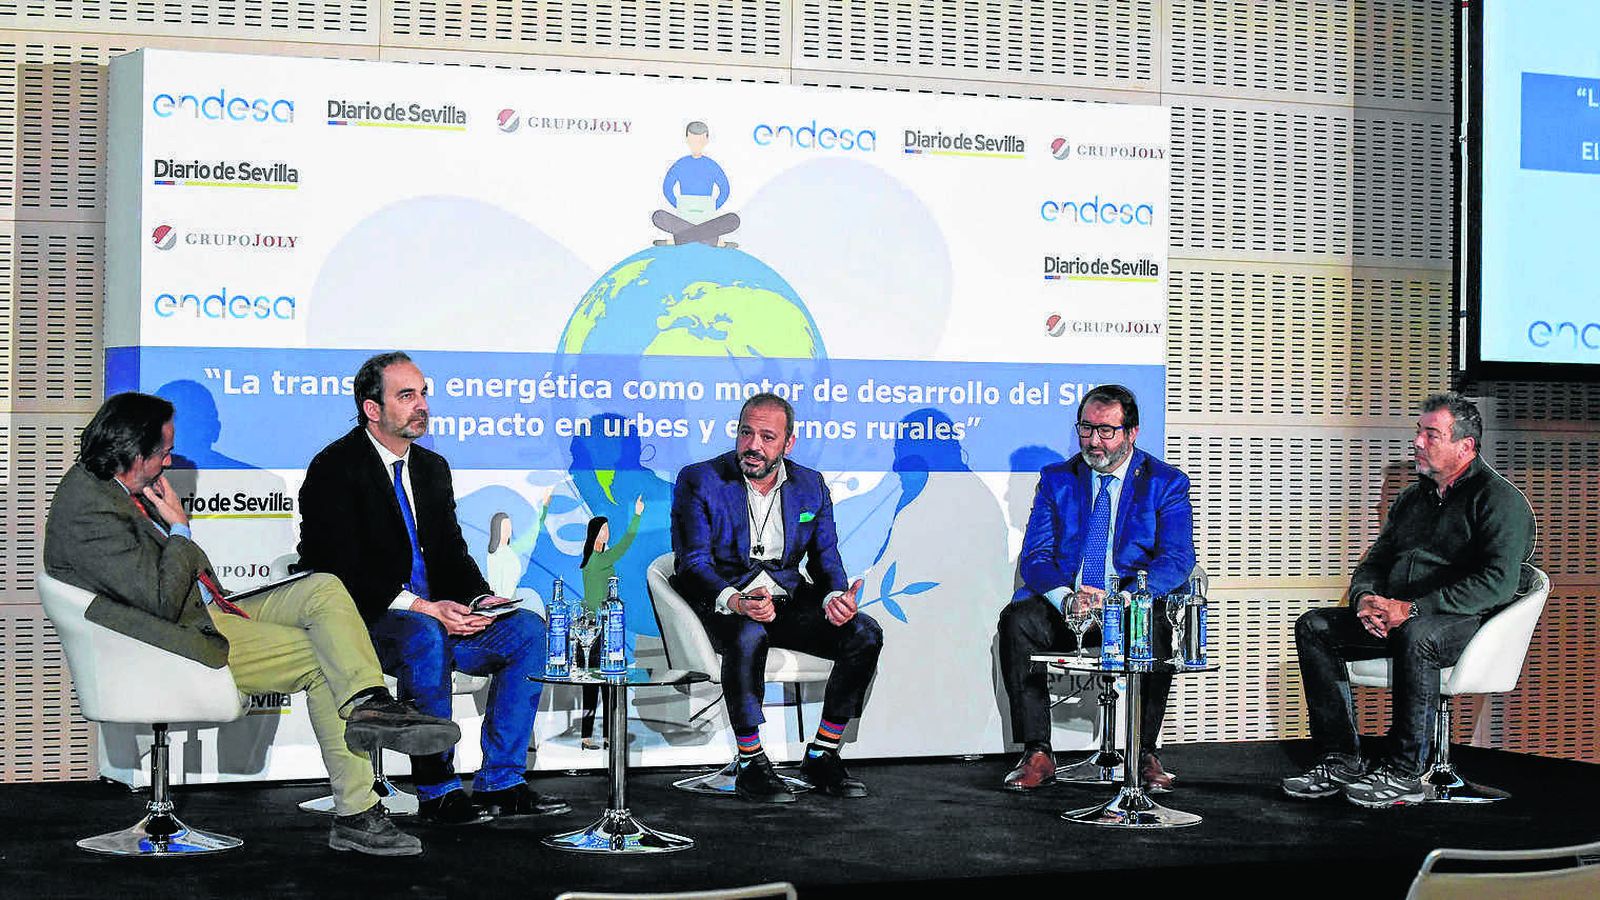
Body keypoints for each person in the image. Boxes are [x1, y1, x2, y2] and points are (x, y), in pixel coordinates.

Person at [43, 392, 460, 856]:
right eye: (163, 452)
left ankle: (369, 702)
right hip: (170, 636)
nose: (167, 462)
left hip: (205, 608)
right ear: (133, 451)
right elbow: (159, 600)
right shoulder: (90, 509)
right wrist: (179, 527)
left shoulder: (116, 489)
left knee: (322, 587)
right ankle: (357, 813)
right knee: (322, 658)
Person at [296, 352, 570, 826]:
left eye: (423, 393)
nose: (421, 405)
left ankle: (502, 782)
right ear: (372, 408)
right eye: (407, 396)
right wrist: (425, 606)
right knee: (423, 632)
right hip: (367, 622)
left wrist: (481, 599)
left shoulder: (431, 468)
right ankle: (437, 789)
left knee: (526, 628)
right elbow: (338, 568)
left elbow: (450, 554)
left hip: (434, 615)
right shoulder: (335, 468)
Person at [1283, 392, 1535, 808]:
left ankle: (1404, 772)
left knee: (1418, 634)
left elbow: (1497, 583)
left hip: (1465, 622)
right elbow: (1376, 560)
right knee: (1315, 626)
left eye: (1431, 435)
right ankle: (1342, 758)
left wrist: (1413, 610)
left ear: (1465, 446)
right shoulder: (1412, 499)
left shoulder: (1499, 501)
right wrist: (1366, 600)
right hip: (1402, 616)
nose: (1417, 442)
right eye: (1419, 433)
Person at [670, 393, 883, 803]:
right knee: (749, 634)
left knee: (864, 633)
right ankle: (750, 761)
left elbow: (825, 560)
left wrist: (835, 597)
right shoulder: (701, 479)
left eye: (767, 437)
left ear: (788, 444)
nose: (753, 445)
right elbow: (692, 562)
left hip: (785, 600)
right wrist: (735, 600)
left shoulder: (810, 485)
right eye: (746, 433)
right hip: (723, 599)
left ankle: (822, 753)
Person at [997, 384, 1195, 793]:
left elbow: (1176, 560)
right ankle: (1037, 752)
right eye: (1086, 429)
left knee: (1157, 625)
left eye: (1106, 431)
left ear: (1132, 433)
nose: (1094, 441)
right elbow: (1035, 556)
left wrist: (1122, 598)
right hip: (1072, 607)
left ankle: (1143, 754)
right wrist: (1067, 599)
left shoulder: (1165, 482)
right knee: (1017, 621)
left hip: (1127, 607)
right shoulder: (1058, 480)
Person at [576, 498, 644, 749]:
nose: (607, 533)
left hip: (605, 627)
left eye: (608, 529)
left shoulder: (597, 558)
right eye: (604, 530)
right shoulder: (597, 559)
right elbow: (625, 545)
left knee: (606, 684)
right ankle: (591, 736)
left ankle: (604, 735)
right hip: (597, 629)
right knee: (596, 684)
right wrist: (636, 517)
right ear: (595, 533)